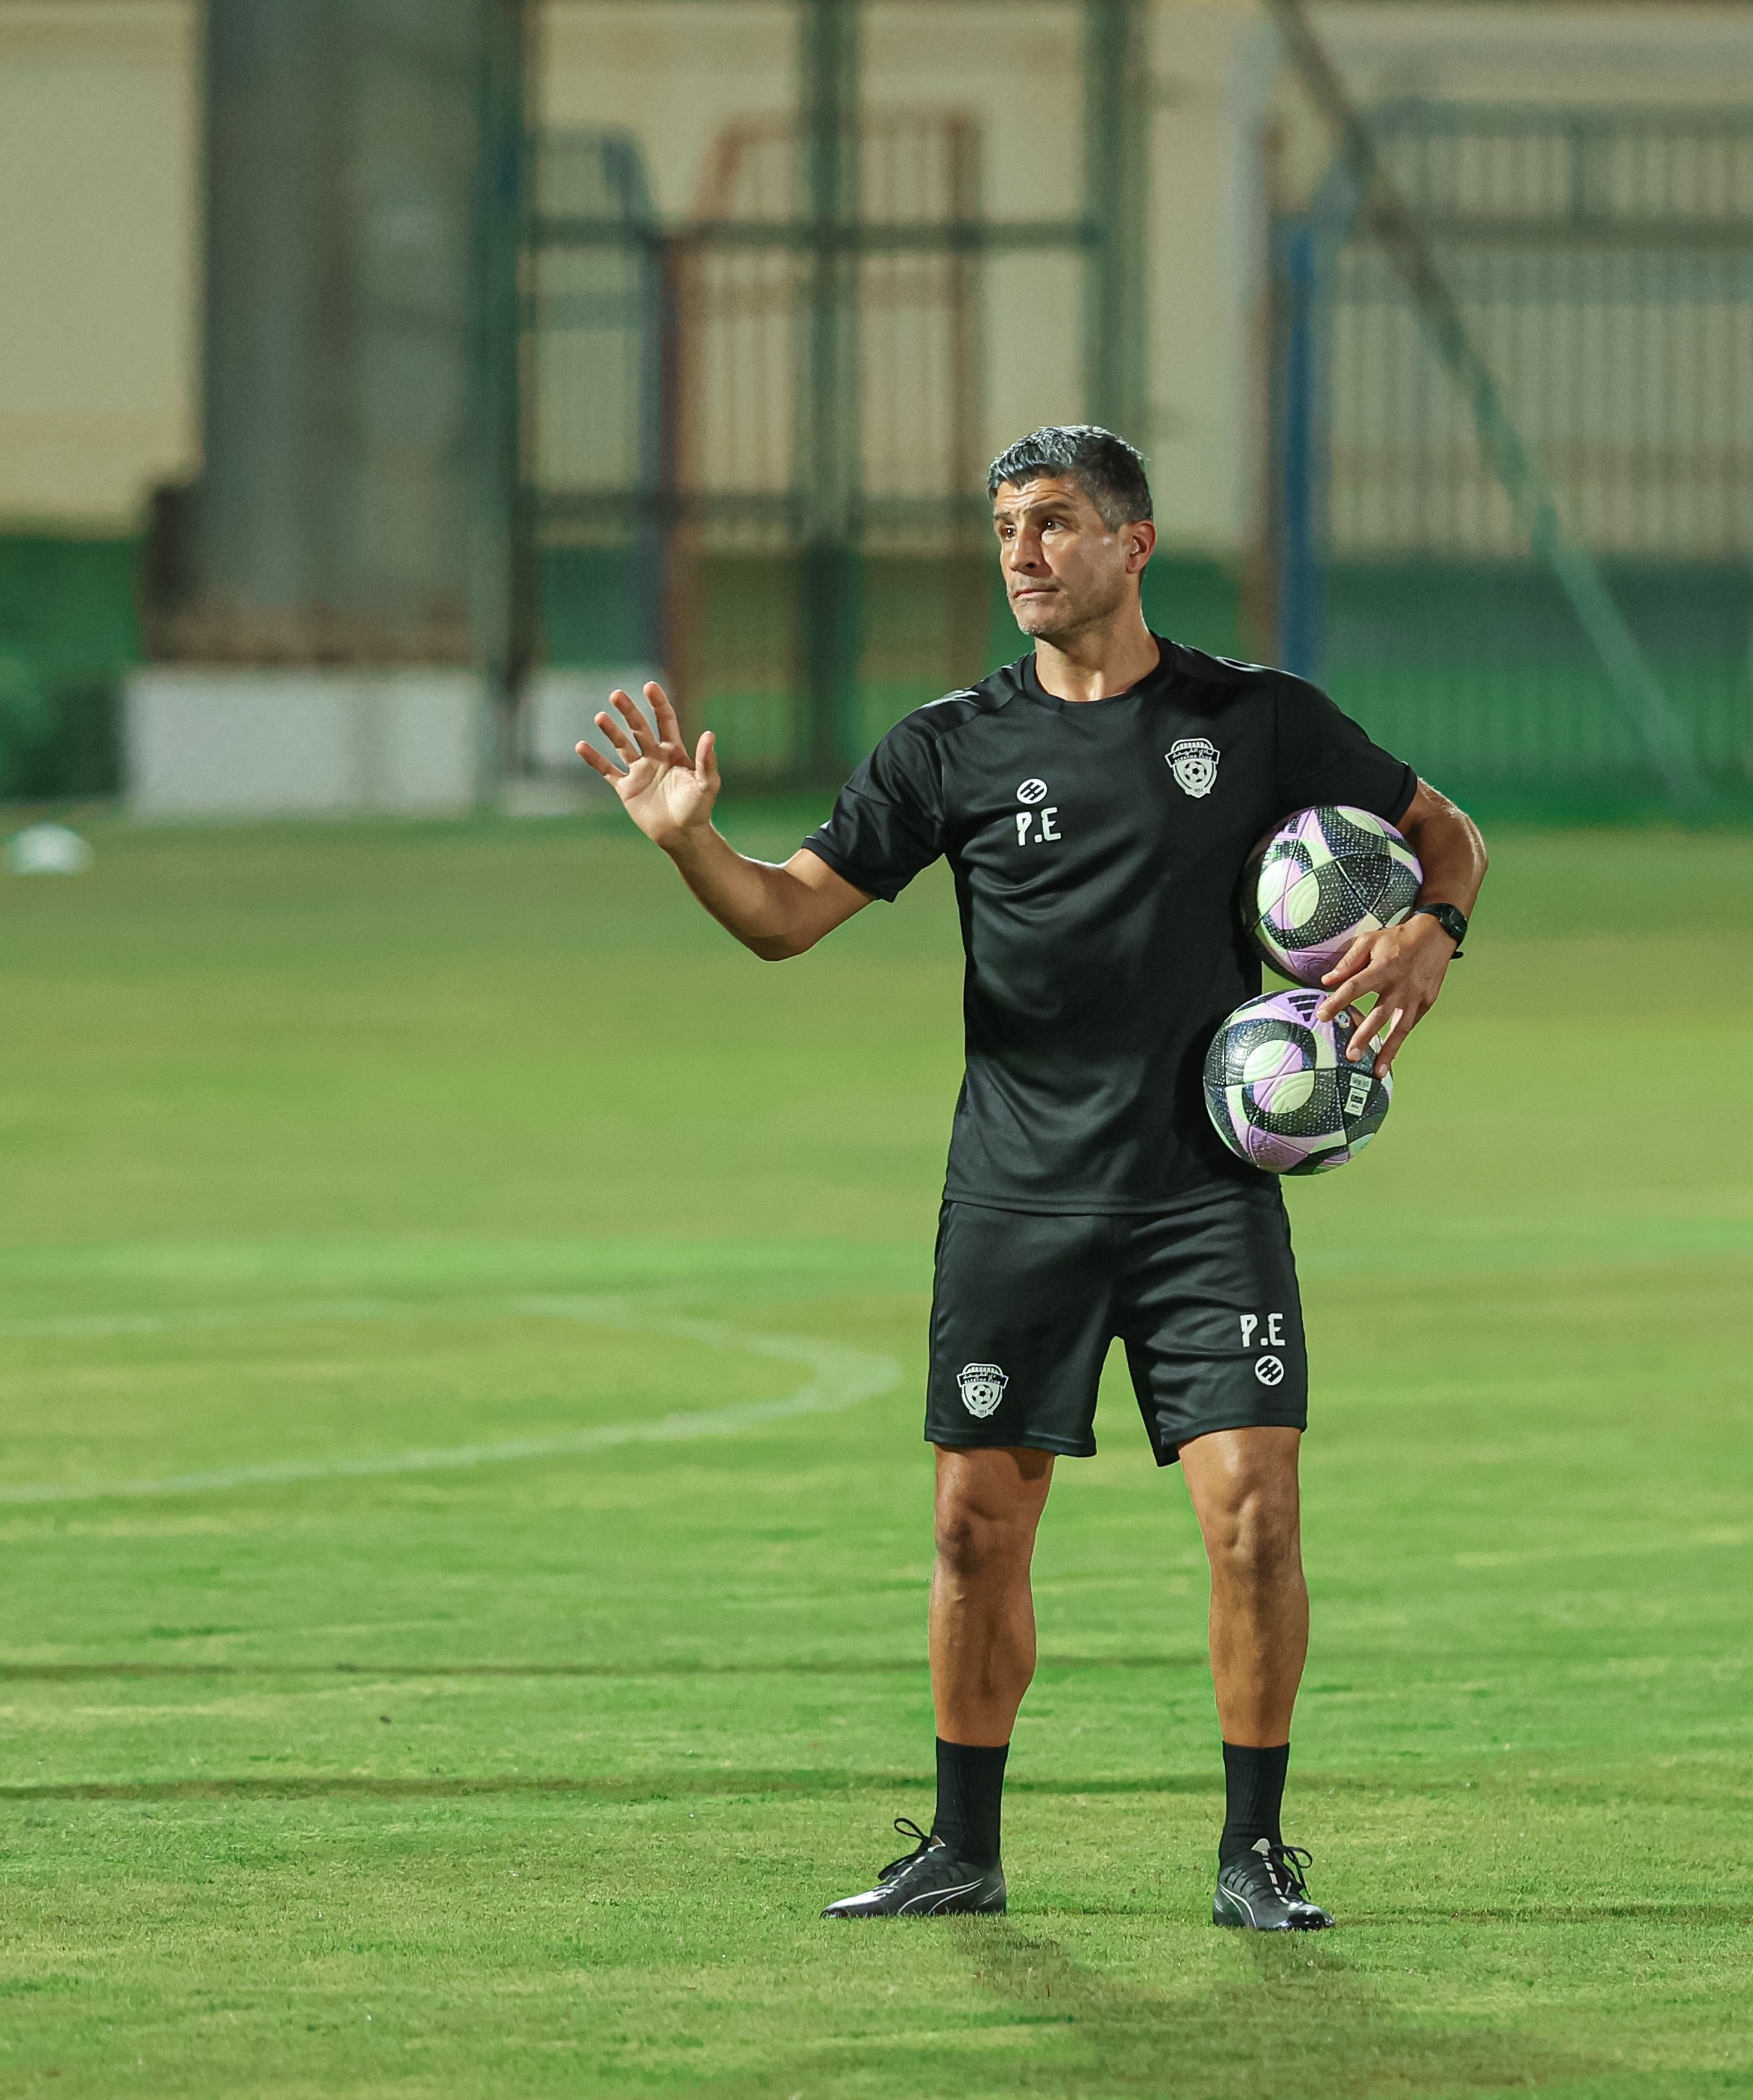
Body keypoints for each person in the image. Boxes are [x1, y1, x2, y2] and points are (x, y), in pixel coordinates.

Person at [577, 425, 1486, 1929]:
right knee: (971, 1532)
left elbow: (1442, 834)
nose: (1021, 551)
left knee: (1256, 1515)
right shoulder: (951, 746)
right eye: (1005, 525)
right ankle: (962, 1849)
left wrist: (1431, 933)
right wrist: (692, 843)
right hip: (1020, 1196)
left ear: (1133, 544)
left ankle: (1254, 1853)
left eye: (1054, 522)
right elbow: (787, 920)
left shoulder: (1253, 721)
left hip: (1206, 1194)